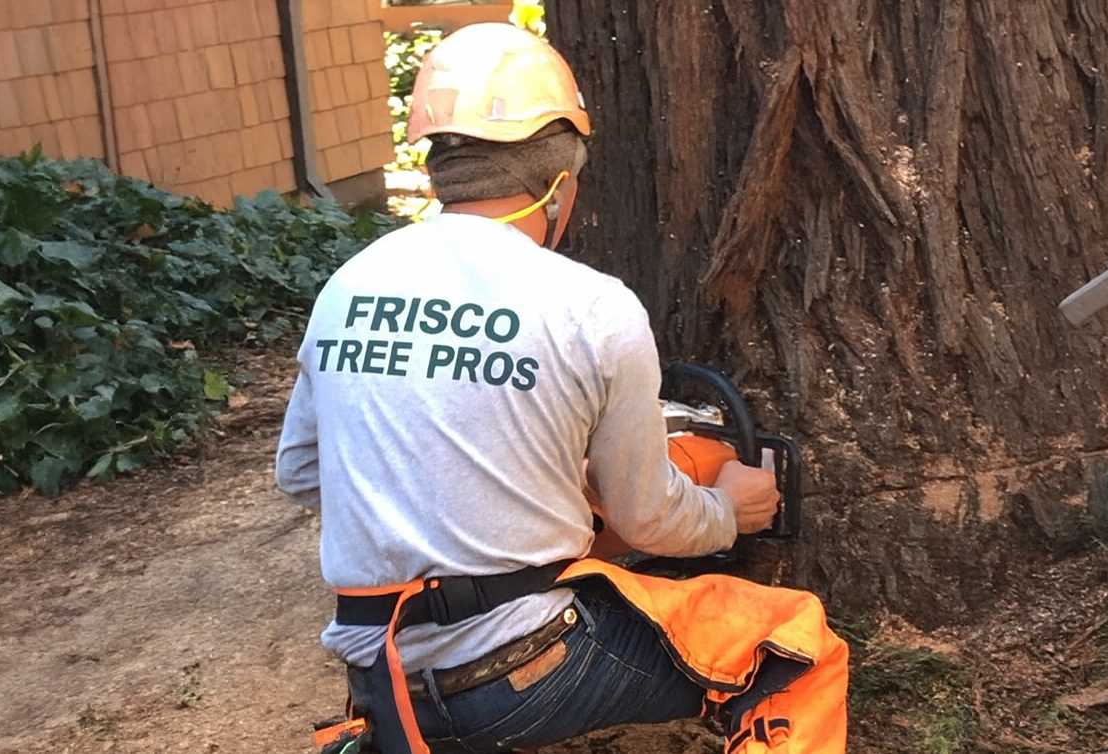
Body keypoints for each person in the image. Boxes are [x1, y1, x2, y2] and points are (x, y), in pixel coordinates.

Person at [275, 22, 848, 754]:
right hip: (521, 676)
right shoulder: (592, 306)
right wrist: (729, 510)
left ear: (438, 168)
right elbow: (652, 525)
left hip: (382, 682)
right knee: (798, 644)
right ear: (559, 185)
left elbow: (299, 473)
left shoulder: (348, 285)